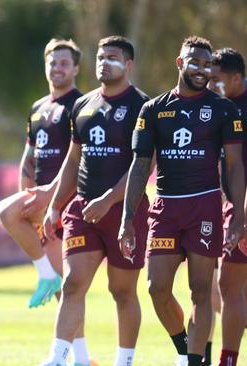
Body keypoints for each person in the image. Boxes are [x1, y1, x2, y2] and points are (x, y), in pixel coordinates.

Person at [119, 36, 245, 366]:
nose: (202, 70)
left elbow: (233, 166)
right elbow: (139, 165)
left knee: (200, 291)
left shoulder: (223, 110)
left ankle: (193, 361)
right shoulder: (154, 109)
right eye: (195, 63)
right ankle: (186, 348)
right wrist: (126, 219)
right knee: (155, 288)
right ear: (180, 63)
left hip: (204, 207)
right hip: (165, 208)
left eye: (207, 65)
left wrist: (238, 215)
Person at [41, 36, 150, 366]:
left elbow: (141, 165)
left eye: (113, 57)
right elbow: (73, 161)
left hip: (126, 213)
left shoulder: (143, 107)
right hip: (84, 210)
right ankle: (57, 359)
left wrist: (109, 200)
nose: (104, 62)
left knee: (122, 291)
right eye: (101, 57)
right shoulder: (83, 105)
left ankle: (124, 361)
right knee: (73, 283)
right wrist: (55, 205)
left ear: (128, 65)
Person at [0, 38, 92, 365]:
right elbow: (29, 155)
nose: (57, 68)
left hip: (68, 199)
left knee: (70, 288)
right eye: (52, 62)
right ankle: (79, 357)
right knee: (7, 212)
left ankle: (73, 357)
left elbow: (78, 159)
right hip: (43, 198)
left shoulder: (80, 105)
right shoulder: (38, 107)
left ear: (76, 68)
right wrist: (28, 190)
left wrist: (52, 196)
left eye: (64, 62)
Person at [208, 47, 247, 366]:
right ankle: (228, 360)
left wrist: (243, 214)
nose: (210, 85)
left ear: (237, 78)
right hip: (229, 209)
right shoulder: (216, 108)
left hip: (243, 211)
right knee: (226, 286)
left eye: (217, 80)